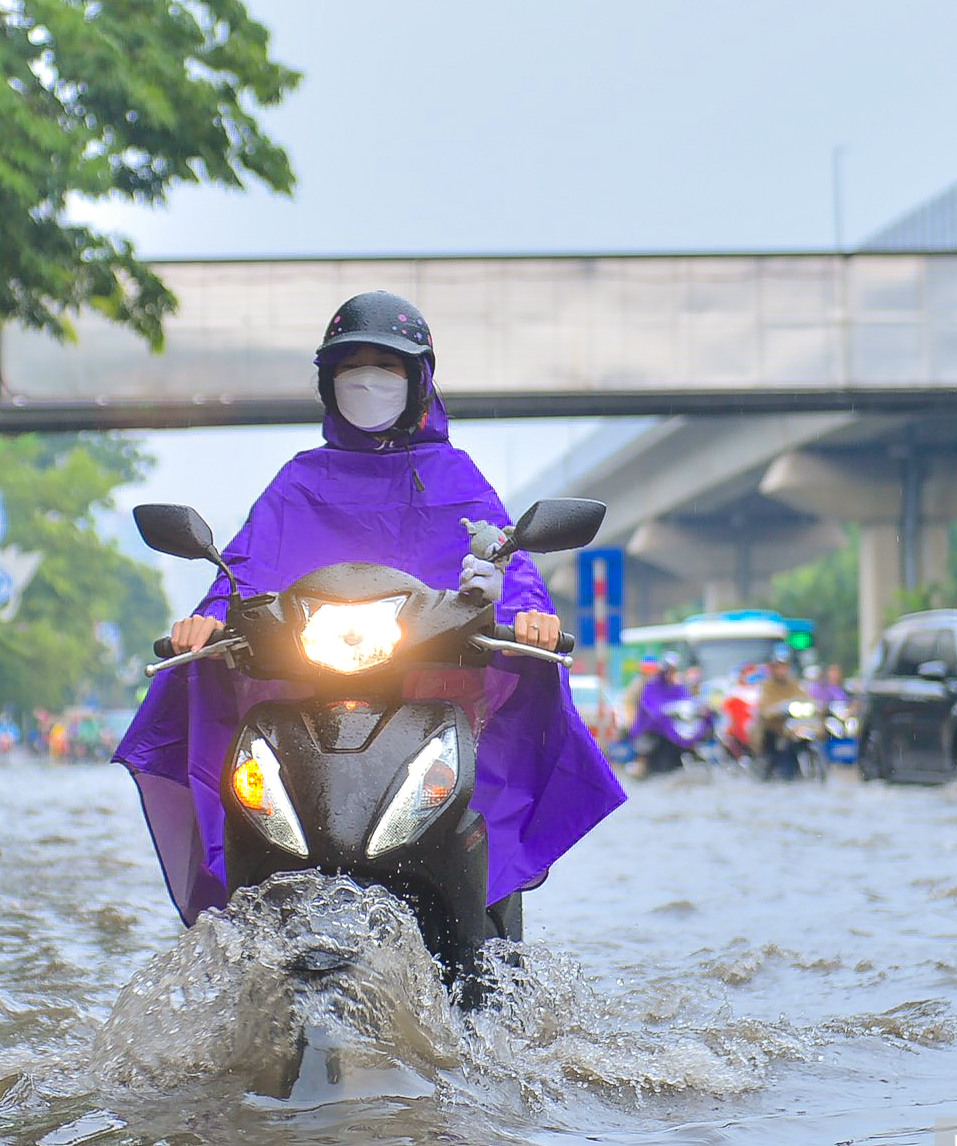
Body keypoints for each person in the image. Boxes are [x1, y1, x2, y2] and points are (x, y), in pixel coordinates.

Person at [113, 289, 624, 929]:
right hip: (305, 698)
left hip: (436, 696)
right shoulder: (298, 481)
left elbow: (505, 565)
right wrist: (206, 621)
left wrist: (529, 615)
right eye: (350, 366)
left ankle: (486, 948)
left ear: (418, 381)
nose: (367, 381)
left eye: (386, 366)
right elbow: (243, 572)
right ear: (328, 383)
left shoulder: (455, 477)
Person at [628, 653, 710, 776]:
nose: (671, 674)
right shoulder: (651, 686)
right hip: (650, 731)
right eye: (669, 671)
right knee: (644, 758)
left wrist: (700, 711)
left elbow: (688, 703)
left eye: (674, 671)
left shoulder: (679, 687)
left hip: (677, 731)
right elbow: (652, 709)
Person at [751, 647, 811, 775]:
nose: (782, 670)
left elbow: (805, 698)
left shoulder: (793, 684)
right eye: (779, 667)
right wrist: (778, 709)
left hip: (792, 728)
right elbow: (765, 708)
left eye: (784, 667)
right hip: (772, 729)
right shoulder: (767, 686)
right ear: (773, 668)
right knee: (773, 754)